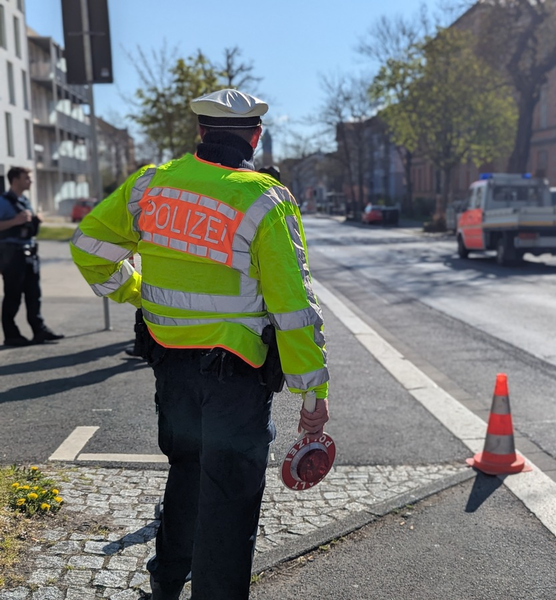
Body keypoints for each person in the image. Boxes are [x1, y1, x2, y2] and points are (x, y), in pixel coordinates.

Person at [70, 89, 330, 600]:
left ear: (200, 133)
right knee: (229, 496)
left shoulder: (150, 185)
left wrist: (137, 291)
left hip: (170, 365)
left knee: (186, 471)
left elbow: (88, 249)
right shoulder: (263, 199)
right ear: (255, 136)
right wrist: (313, 394)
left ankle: (166, 579)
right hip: (234, 376)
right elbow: (292, 306)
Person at [0, 167, 63, 346]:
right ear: (15, 180)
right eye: (26, 178)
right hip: (11, 255)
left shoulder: (25, 201)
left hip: (29, 254)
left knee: (34, 294)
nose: (30, 181)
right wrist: (15, 221)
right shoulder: (3, 201)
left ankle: (39, 331)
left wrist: (35, 220)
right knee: (13, 295)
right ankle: (11, 335)